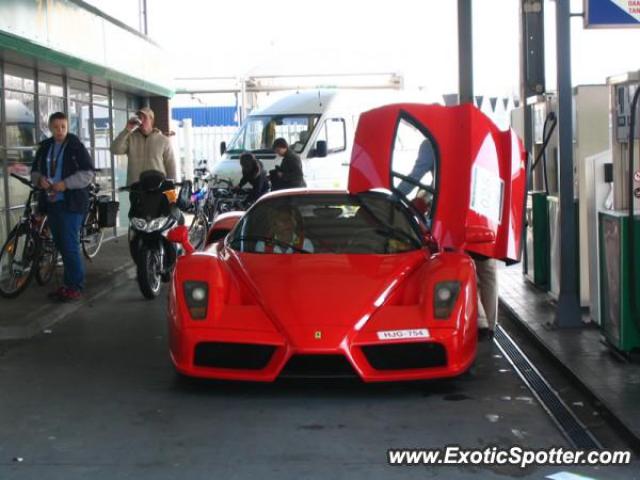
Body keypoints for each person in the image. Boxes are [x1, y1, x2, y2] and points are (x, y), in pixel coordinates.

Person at [31, 112, 94, 302]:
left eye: (63, 127)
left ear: (68, 127)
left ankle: (75, 286)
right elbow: (34, 171)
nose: (60, 131)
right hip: (52, 202)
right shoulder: (45, 147)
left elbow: (88, 173)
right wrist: (39, 180)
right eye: (56, 127)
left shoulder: (76, 146)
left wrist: (65, 184)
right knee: (60, 244)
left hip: (72, 203)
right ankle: (68, 285)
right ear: (50, 128)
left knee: (69, 245)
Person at [110, 107, 176, 185]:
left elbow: (170, 165)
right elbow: (114, 149)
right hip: (136, 188)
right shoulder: (131, 138)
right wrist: (127, 130)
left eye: (145, 118)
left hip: (157, 188)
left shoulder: (163, 140)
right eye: (140, 118)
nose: (141, 121)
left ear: (151, 120)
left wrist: (171, 190)